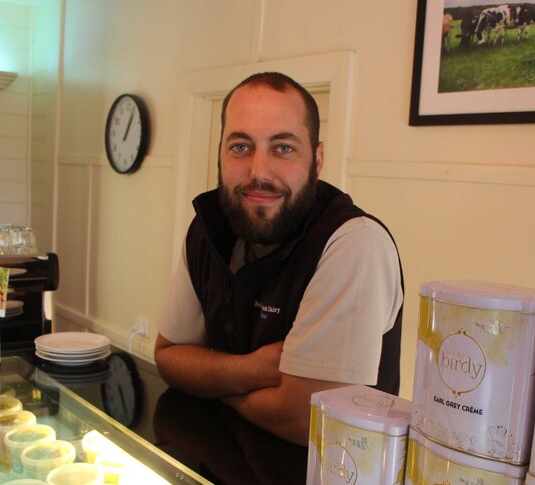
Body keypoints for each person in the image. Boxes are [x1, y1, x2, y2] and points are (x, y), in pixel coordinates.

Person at [153, 72, 403, 445]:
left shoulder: (353, 244)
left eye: (283, 147)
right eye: (240, 147)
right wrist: (255, 369)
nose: (259, 172)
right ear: (220, 154)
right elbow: (169, 357)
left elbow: (305, 420)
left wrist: (214, 380)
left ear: (317, 158)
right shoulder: (207, 228)